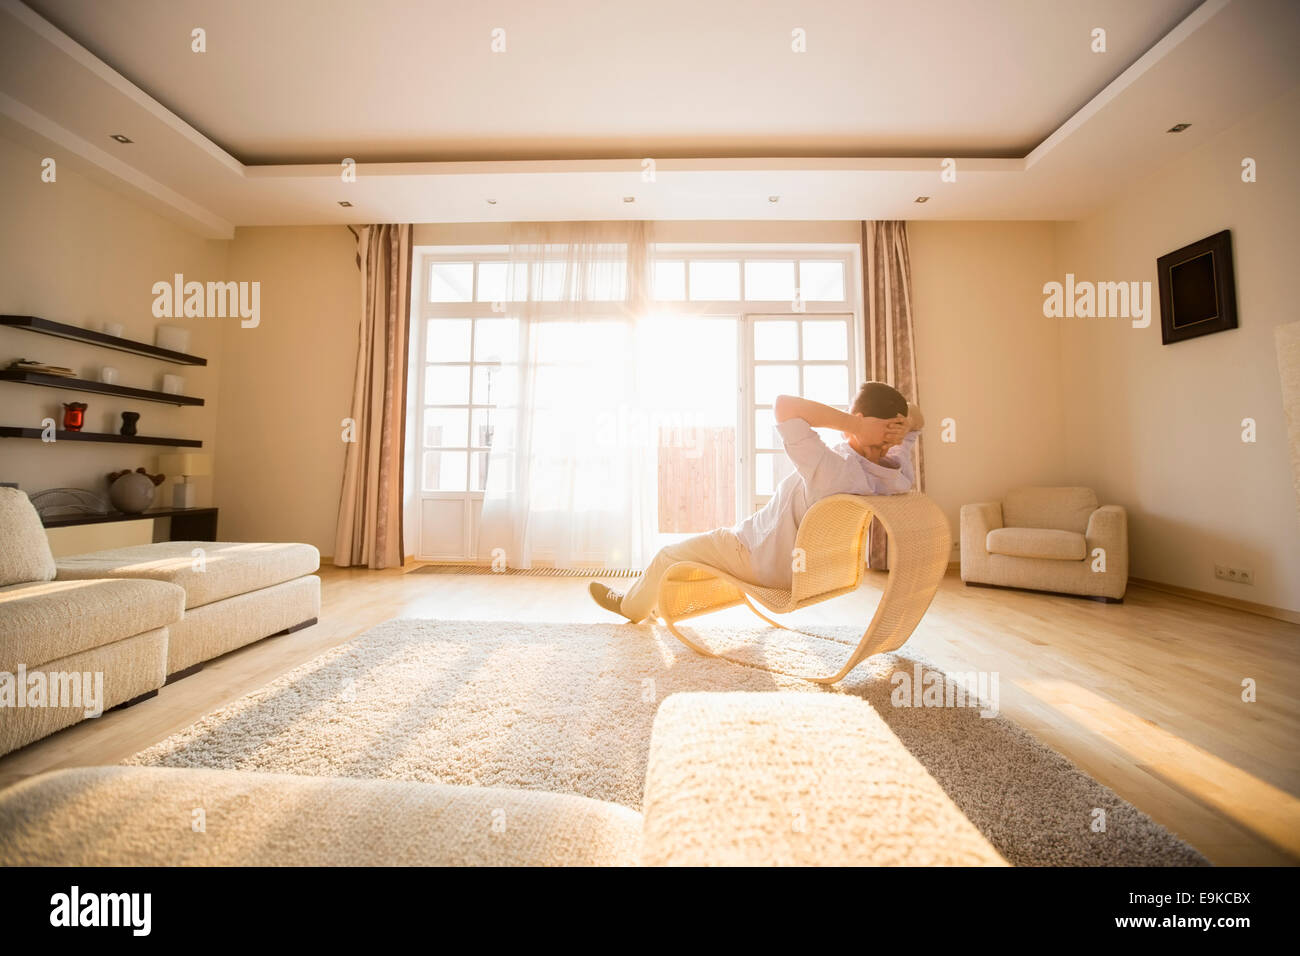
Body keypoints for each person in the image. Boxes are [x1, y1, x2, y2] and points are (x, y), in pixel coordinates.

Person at [590, 382, 924, 622]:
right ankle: (649, 600)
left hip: (751, 555)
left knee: (666, 556)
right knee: (700, 548)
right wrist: (900, 429)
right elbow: (917, 418)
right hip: (804, 575)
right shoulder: (896, 472)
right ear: (895, 432)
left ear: (859, 418)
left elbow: (783, 405)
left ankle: (630, 607)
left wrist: (853, 425)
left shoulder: (832, 469)